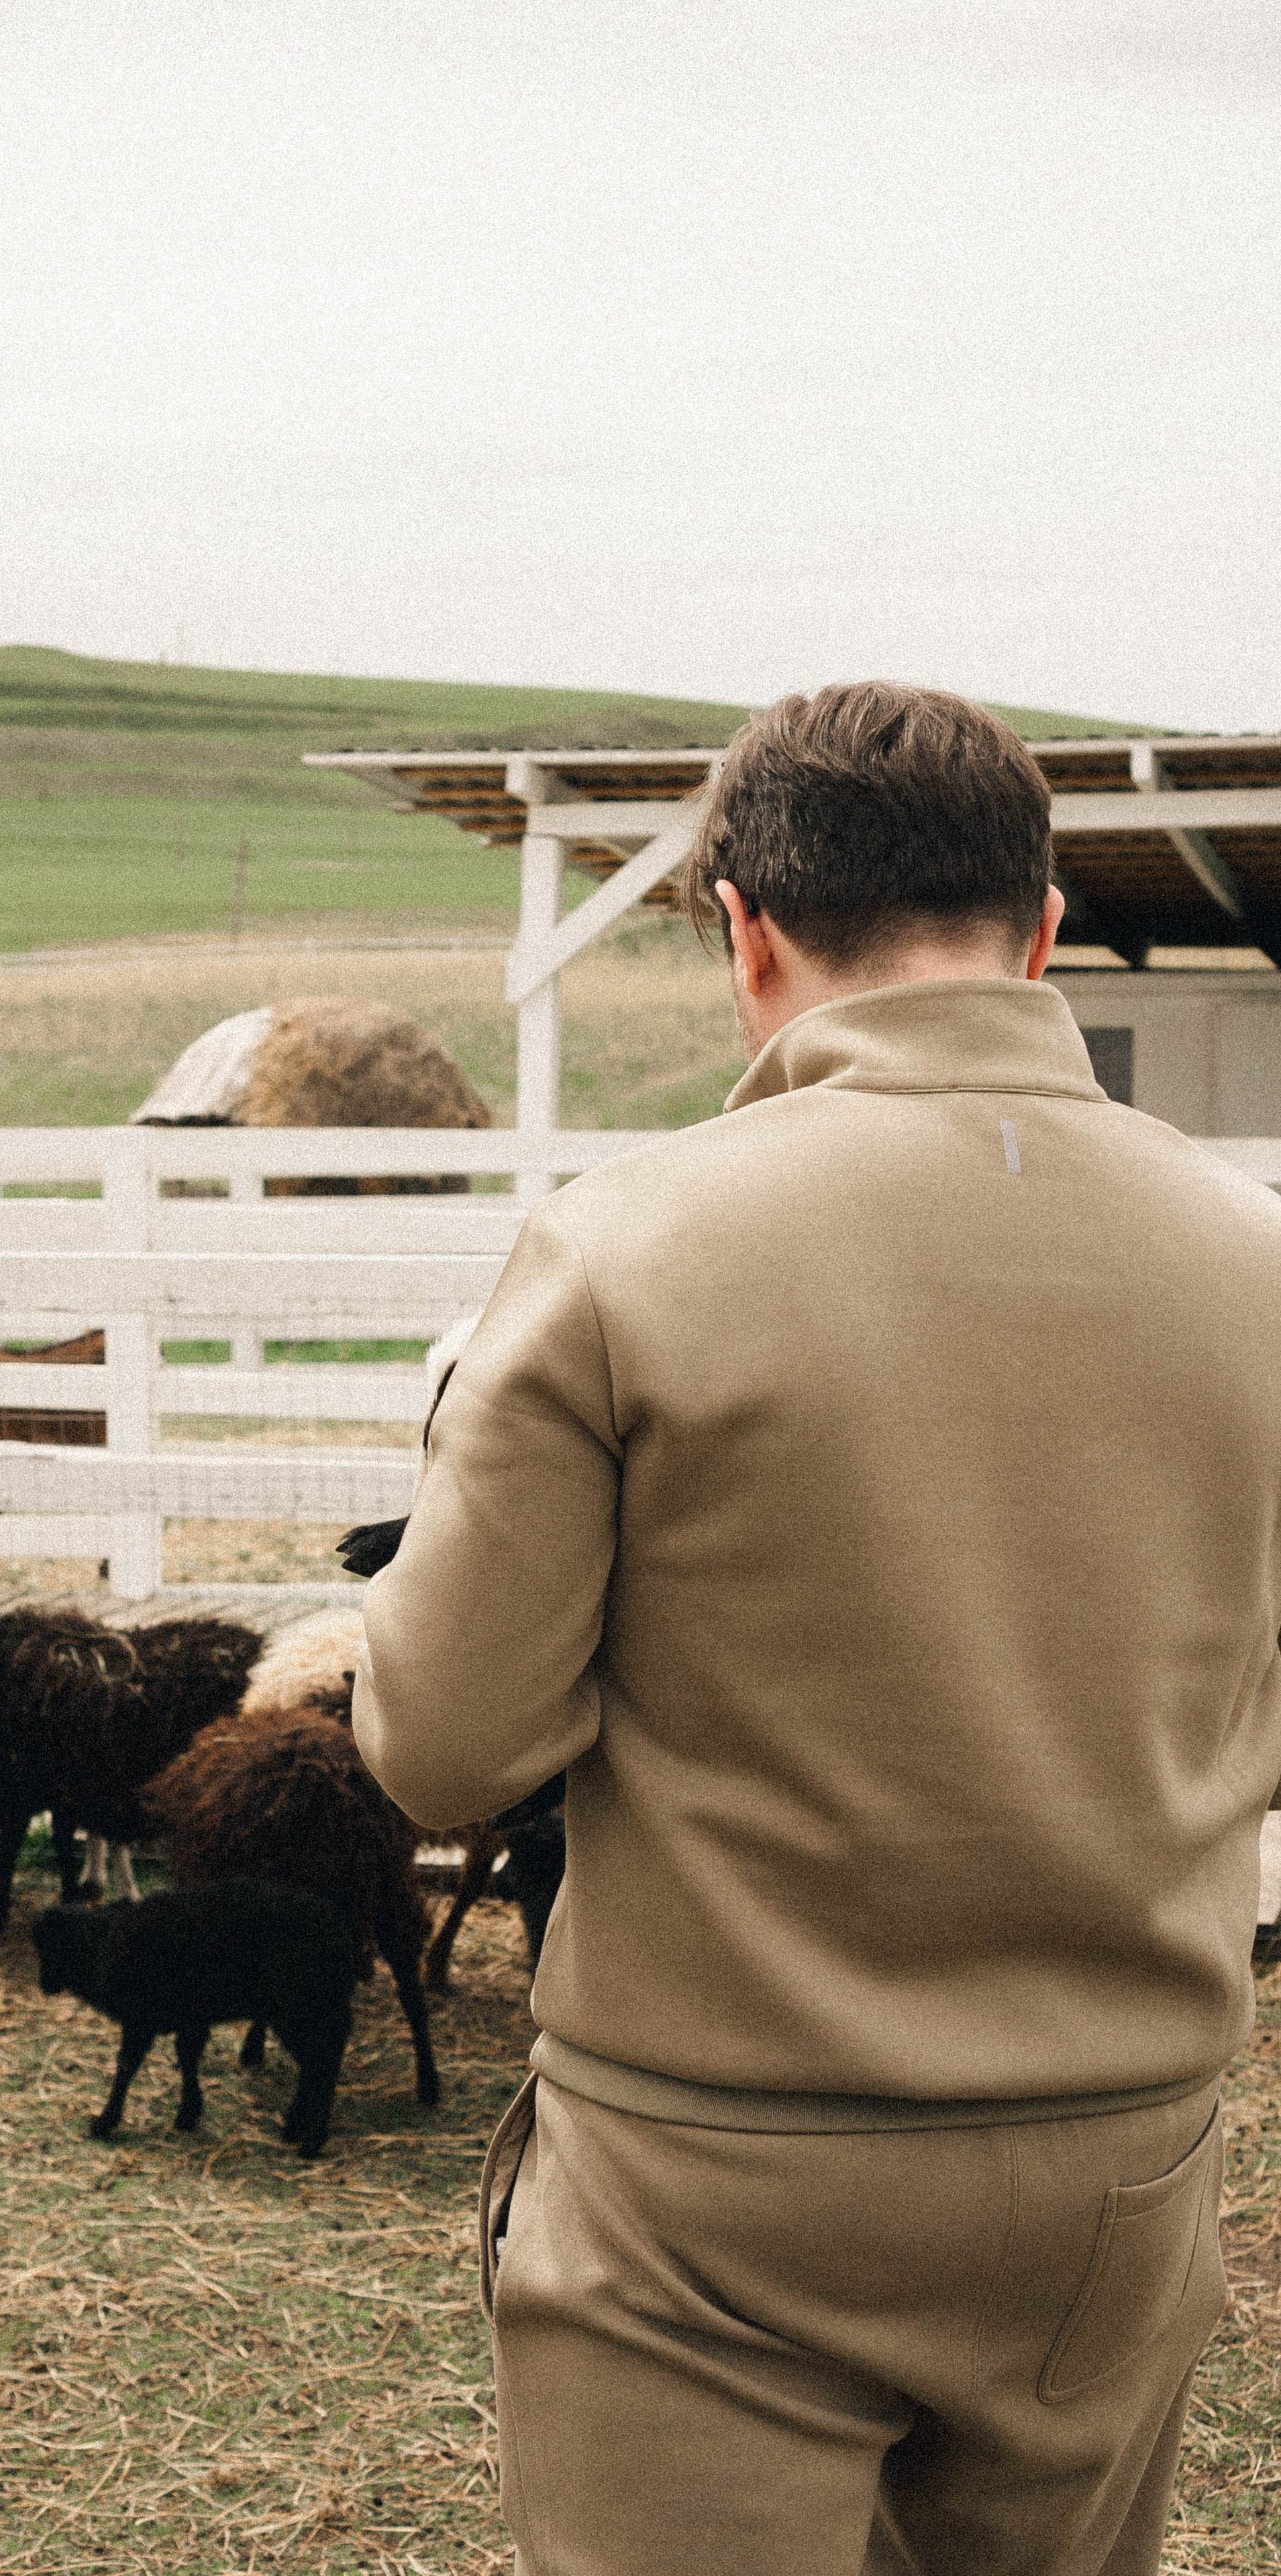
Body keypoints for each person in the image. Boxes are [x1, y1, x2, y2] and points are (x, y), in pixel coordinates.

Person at [352, 682, 1281, 2576]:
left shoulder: (624, 1250)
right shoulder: (1255, 1262)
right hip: (1113, 2165)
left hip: (715, 2173)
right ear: (1039, 929)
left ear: (743, 932)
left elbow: (444, 1748)